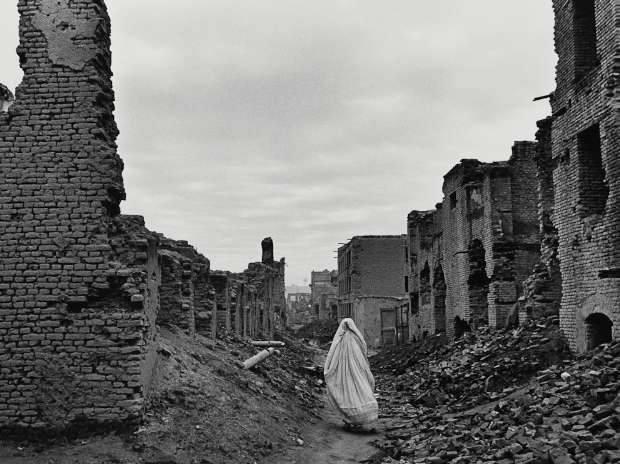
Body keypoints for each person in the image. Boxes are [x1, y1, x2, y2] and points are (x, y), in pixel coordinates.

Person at [323, 318, 378, 432]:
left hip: (345, 372)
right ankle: (359, 418)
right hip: (357, 371)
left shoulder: (340, 339)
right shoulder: (356, 338)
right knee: (361, 389)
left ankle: (351, 419)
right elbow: (363, 351)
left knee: (347, 393)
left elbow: (333, 354)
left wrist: (331, 369)